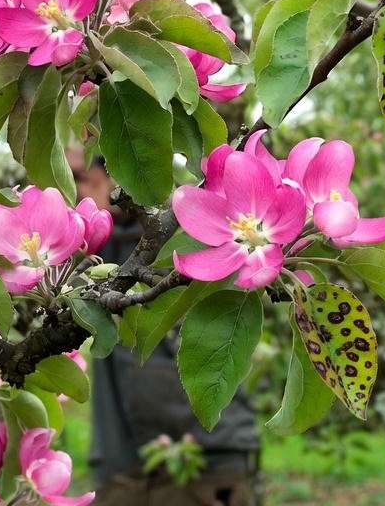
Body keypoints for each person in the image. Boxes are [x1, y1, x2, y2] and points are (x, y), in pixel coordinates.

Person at [71, 152, 261, 506]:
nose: (77, 192)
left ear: (112, 179)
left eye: (83, 179)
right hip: (127, 462)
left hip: (205, 456)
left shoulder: (198, 239)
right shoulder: (102, 255)